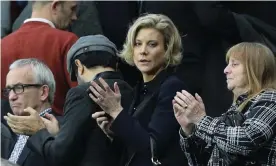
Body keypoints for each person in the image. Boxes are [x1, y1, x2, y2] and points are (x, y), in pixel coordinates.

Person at [17, 35, 133, 166]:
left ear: (79, 65)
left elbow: (59, 156)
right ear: (116, 64)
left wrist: (38, 130)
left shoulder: (81, 93)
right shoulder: (134, 92)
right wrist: (58, 134)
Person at [90, 14, 188, 166]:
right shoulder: (139, 89)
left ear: (167, 48)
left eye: (152, 44)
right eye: (137, 44)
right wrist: (112, 133)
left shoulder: (172, 87)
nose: (143, 51)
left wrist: (116, 111)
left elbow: (152, 148)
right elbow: (132, 150)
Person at [174, 42, 276, 165]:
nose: (225, 70)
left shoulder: (271, 99)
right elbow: (200, 162)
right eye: (228, 64)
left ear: (255, 68)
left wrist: (201, 119)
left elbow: (248, 140)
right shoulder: (236, 108)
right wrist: (189, 129)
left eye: (234, 64)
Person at [1, 0, 79, 115]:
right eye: (72, 9)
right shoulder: (67, 41)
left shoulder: (3, 45)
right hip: (58, 127)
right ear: (55, 6)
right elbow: (80, 96)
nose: (74, 17)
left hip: (11, 128)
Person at [2, 58, 61, 166]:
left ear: (43, 92)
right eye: (9, 90)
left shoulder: (62, 130)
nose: (11, 97)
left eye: (19, 88)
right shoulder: (11, 133)